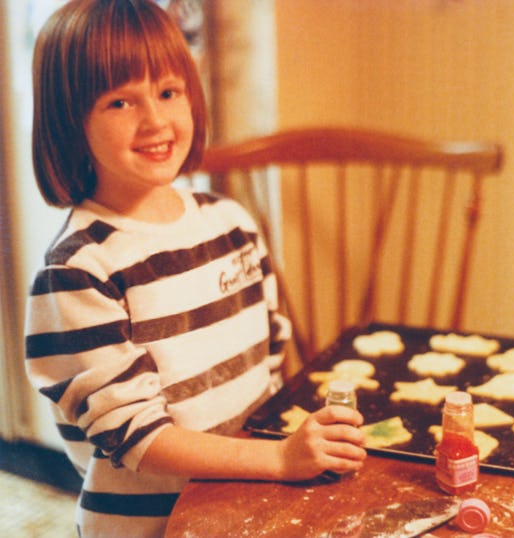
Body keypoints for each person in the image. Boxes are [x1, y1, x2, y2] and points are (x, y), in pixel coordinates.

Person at [24, 1, 366, 536]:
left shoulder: (230, 223)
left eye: (168, 91)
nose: (155, 120)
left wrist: (288, 454)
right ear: (72, 121)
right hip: (154, 528)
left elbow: (271, 365)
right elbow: (138, 437)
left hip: (241, 508)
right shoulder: (78, 270)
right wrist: (279, 463)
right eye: (120, 102)